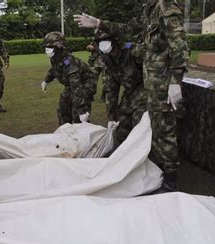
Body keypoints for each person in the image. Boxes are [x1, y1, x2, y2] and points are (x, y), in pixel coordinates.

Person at [74, 0, 189, 192]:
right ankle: (159, 169)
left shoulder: (165, 6)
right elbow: (128, 28)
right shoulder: (148, 10)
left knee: (164, 130)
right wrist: (99, 23)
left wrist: (176, 80)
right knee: (156, 128)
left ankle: (170, 179)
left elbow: (179, 42)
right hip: (152, 83)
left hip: (162, 83)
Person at [93, 29, 146, 147]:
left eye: (105, 41)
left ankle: (144, 154)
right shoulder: (107, 59)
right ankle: (125, 151)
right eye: (99, 41)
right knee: (121, 124)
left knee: (139, 123)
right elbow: (111, 89)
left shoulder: (132, 50)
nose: (103, 44)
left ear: (115, 41)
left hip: (145, 90)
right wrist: (111, 117)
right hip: (130, 92)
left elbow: (154, 67)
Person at [41, 31, 97, 125]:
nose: (47, 50)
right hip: (72, 85)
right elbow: (54, 69)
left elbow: (77, 88)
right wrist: (46, 81)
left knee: (78, 115)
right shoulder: (56, 57)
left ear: (58, 47)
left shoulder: (70, 62)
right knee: (63, 108)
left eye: (50, 47)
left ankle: (82, 133)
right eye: (46, 47)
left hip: (85, 84)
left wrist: (82, 110)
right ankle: (65, 133)